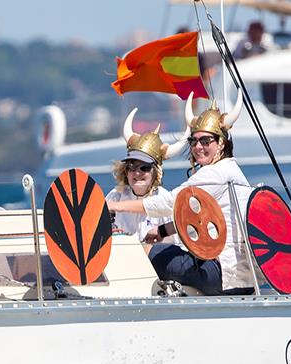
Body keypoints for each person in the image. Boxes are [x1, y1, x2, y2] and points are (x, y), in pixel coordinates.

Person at [107, 90, 255, 296]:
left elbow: (171, 203)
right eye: (193, 141)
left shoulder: (216, 172)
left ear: (221, 143)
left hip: (219, 274)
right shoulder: (232, 170)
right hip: (242, 279)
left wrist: (114, 207)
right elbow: (196, 216)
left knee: (145, 251)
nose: (198, 147)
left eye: (206, 141)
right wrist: (161, 232)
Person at [106, 108, 188, 245]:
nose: (137, 173)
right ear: (126, 171)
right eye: (131, 166)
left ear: (155, 173)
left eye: (144, 168)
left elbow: (175, 244)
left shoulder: (164, 198)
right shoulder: (114, 196)